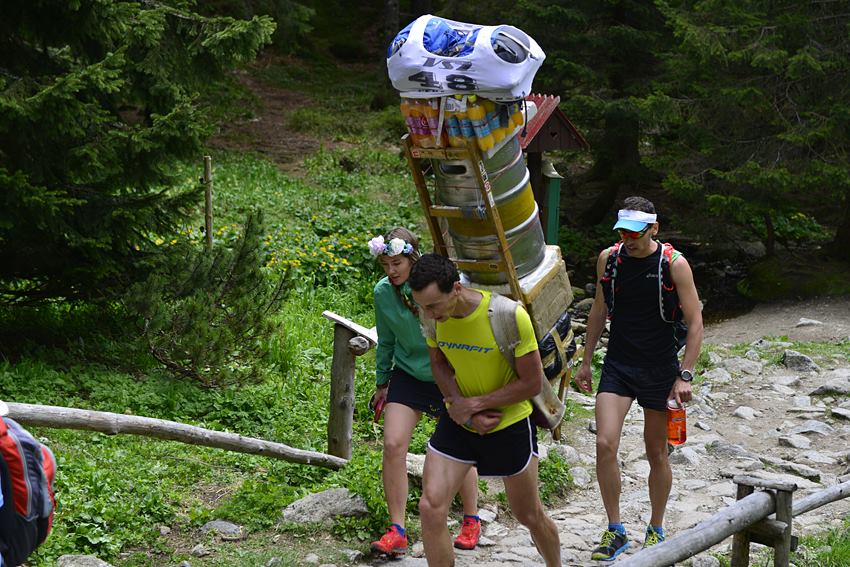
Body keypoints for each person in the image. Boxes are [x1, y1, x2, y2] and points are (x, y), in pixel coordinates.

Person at [409, 253, 562, 567]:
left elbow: (532, 384)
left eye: (434, 305)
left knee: (528, 514)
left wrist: (476, 405)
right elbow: (438, 364)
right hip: (460, 422)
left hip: (509, 424)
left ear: (455, 288)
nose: (428, 313)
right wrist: (460, 407)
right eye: (422, 306)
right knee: (430, 507)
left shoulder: (507, 316)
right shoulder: (430, 316)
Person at [573, 196, 703, 561]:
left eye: (636, 233)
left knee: (656, 452)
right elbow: (599, 309)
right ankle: (615, 530)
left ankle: (656, 528)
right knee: (604, 444)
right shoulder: (609, 259)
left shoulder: (674, 265)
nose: (629, 240)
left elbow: (695, 322)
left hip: (660, 369)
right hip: (618, 365)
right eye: (623, 233)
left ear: (653, 229)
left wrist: (685, 375)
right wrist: (586, 360)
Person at [367, 229, 481, 557]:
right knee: (392, 444)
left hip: (446, 374)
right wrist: (382, 382)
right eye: (385, 263)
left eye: (397, 262)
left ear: (413, 258)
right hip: (408, 374)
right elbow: (386, 339)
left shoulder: (434, 288)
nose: (391, 270)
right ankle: (397, 530)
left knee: (459, 447)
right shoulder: (382, 292)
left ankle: (471, 519)